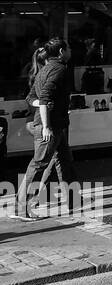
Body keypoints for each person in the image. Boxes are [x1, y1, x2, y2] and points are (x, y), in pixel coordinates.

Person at [15, 37, 78, 219]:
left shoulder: (44, 70)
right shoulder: (59, 69)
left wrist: (45, 105)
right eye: (69, 48)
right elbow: (43, 98)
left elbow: (31, 98)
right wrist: (47, 125)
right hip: (51, 126)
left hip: (54, 124)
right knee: (39, 164)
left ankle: (74, 201)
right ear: (61, 52)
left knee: (65, 163)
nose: (70, 51)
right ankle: (21, 207)